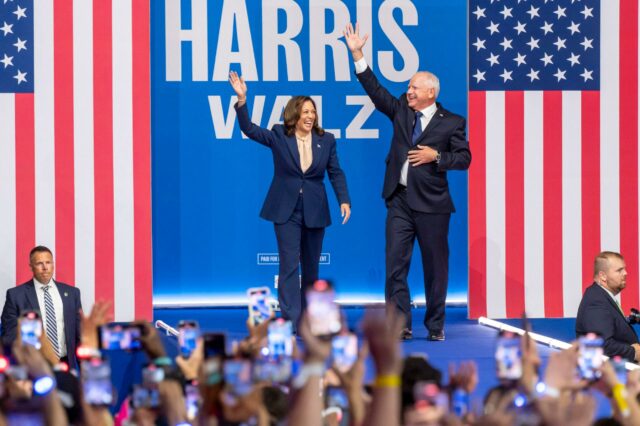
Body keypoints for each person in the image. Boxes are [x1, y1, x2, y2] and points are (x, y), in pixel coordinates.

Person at [343, 23, 471, 341]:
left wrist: (436, 157)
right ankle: (400, 323)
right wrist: (358, 53)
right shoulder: (401, 110)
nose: (408, 91)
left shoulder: (452, 122)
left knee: (435, 269)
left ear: (430, 92)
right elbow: (375, 89)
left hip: (432, 205)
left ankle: (435, 325)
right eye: (408, 87)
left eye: (414, 87)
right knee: (395, 266)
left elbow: (464, 159)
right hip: (399, 200)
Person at [228, 71, 351, 330]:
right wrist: (242, 100)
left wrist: (344, 199)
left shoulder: (326, 140)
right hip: (286, 209)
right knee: (288, 265)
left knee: (312, 268)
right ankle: (291, 318)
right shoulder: (278, 136)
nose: (310, 116)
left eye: (313, 112)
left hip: (315, 209)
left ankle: (310, 319)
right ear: (294, 114)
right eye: (305, 112)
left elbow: (335, 171)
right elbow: (249, 129)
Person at [0, 246, 82, 368]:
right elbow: (9, 335)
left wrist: (84, 368)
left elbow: (79, 334)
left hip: (65, 363)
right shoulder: (16, 295)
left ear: (53, 264)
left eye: (48, 262)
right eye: (39, 263)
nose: (45, 268)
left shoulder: (71, 293)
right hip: (33, 364)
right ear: (31, 266)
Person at [575, 251, 640, 362]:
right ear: (603, 276)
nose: (626, 273)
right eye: (619, 270)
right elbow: (601, 344)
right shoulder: (596, 302)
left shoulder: (601, 297)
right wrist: (633, 352)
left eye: (624, 269)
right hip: (612, 376)